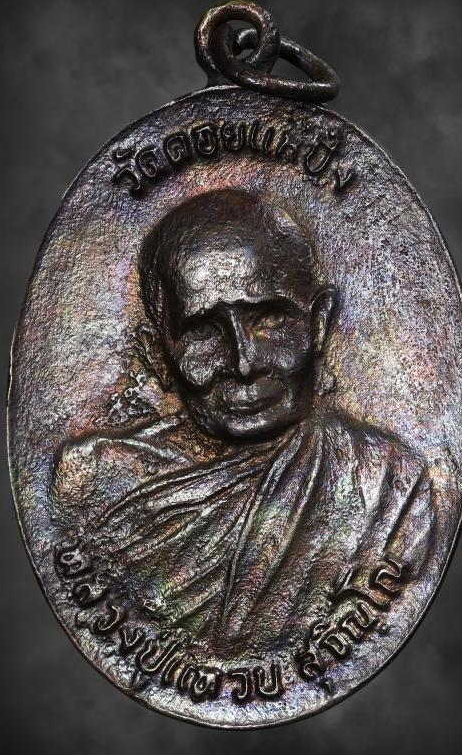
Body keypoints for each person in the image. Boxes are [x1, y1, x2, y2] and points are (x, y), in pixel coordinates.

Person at [53, 188, 434, 658]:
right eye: (203, 332)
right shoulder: (95, 481)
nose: (244, 362)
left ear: (318, 325)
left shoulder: (388, 484)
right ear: (157, 354)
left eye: (269, 320)